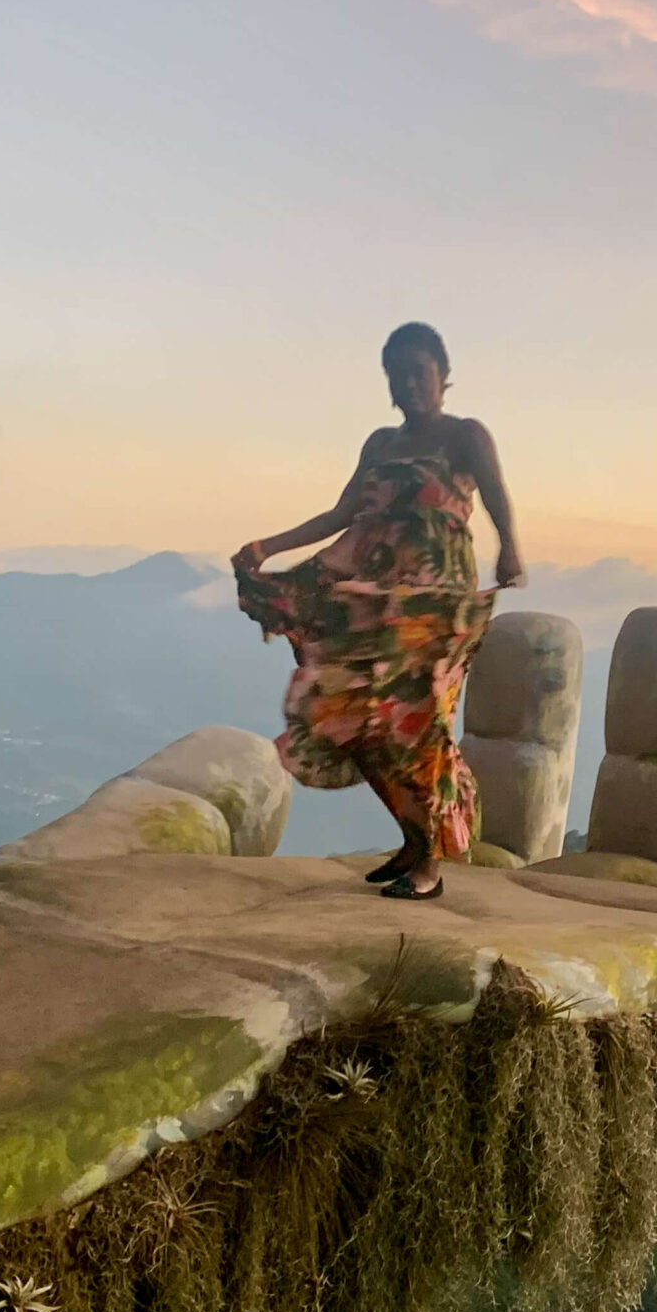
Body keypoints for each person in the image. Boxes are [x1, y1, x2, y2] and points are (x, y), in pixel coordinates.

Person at [232, 323, 525, 899]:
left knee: (418, 728)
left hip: (434, 608)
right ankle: (416, 841)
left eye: (421, 371)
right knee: (359, 722)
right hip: (375, 602)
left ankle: (430, 867)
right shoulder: (379, 444)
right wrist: (269, 547)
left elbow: (495, 495)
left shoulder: (465, 436)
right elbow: (342, 513)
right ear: (389, 385)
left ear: (444, 377)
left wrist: (509, 548)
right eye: (399, 374)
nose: (411, 383)